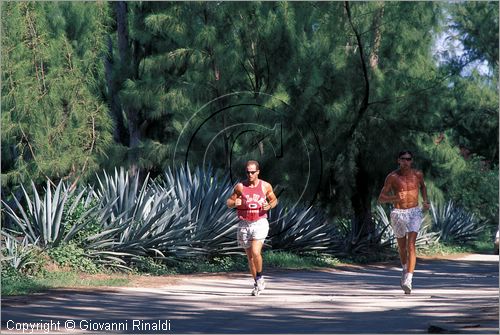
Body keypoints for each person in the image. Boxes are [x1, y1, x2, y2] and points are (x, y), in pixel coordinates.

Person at [378, 150, 430, 294]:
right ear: (398, 161)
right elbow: (381, 198)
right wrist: (394, 198)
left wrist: (425, 201)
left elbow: (423, 187)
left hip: (414, 212)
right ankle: (405, 268)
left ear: (411, 161)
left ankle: (409, 278)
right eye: (403, 159)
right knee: (402, 247)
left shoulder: (418, 175)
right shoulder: (392, 177)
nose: (406, 162)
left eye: (408, 159)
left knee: (411, 245)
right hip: (398, 213)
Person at [227, 160, 278, 296]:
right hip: (244, 223)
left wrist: (270, 205)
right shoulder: (240, 187)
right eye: (248, 172)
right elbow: (229, 202)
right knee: (250, 258)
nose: (250, 175)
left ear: (258, 172)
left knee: (256, 252)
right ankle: (257, 283)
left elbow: (274, 200)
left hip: (260, 222)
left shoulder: (265, 186)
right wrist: (234, 203)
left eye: (252, 172)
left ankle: (260, 277)